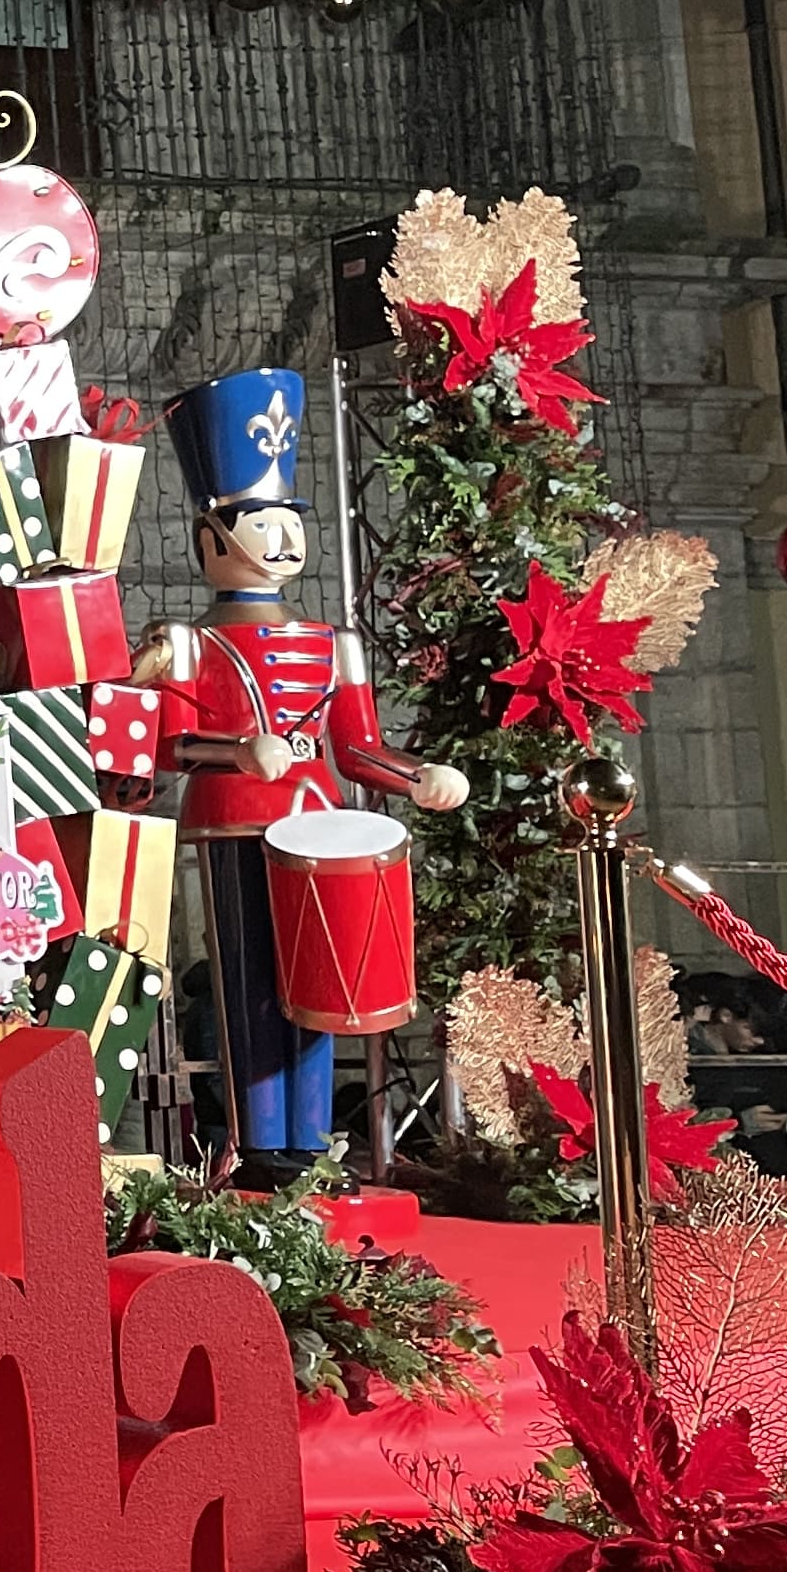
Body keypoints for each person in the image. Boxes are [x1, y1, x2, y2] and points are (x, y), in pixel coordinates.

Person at [145, 367, 463, 1170]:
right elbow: (162, 748)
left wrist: (415, 774)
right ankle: (259, 1143)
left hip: (316, 823)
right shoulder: (188, 644)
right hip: (233, 821)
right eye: (261, 521)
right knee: (250, 983)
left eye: (290, 520)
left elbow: (355, 746)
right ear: (211, 538)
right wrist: (236, 751)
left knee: (319, 980)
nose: (283, 538)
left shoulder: (336, 643)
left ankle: (312, 1139)